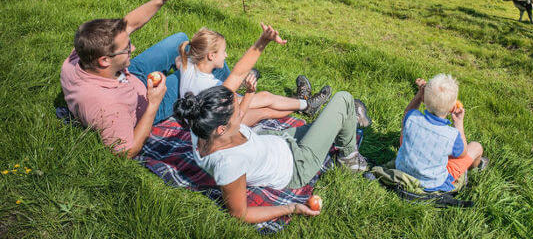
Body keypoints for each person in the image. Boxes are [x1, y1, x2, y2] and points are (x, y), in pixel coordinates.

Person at [174, 81, 371, 223]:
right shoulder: (229, 163)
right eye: (237, 112)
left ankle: (346, 120)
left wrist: (250, 93)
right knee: (343, 98)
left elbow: (239, 111)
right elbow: (239, 213)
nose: (242, 110)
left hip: (278, 139)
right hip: (297, 164)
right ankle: (349, 158)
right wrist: (292, 207)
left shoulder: (200, 126)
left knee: (336, 118)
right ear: (221, 130)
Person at [61, 0, 186, 158]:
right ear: (104, 60)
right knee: (199, 67)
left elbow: (128, 24)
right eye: (127, 48)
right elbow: (126, 152)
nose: (133, 48)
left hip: (125, 75)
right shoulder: (108, 106)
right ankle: (232, 96)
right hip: (143, 103)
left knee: (181, 39)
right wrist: (153, 103)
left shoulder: (79, 54)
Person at [178, 26, 330, 119]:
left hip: (202, 117)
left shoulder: (187, 63)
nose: (226, 55)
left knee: (261, 102)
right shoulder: (212, 87)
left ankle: (301, 101)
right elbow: (237, 75)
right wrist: (263, 40)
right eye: (223, 51)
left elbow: (179, 60)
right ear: (211, 56)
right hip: (216, 127)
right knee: (265, 104)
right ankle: (307, 105)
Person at [395, 75, 487, 193]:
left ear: (423, 98)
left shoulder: (411, 118)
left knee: (406, 131)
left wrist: (419, 95)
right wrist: (459, 124)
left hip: (403, 171)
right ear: (453, 108)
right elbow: (462, 153)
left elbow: (407, 112)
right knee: (476, 147)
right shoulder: (451, 136)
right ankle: (474, 168)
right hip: (432, 183)